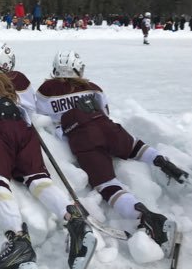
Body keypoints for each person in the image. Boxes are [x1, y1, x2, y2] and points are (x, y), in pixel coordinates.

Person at [0, 41, 97, 269]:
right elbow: (31, 106)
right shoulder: (22, 80)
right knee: (37, 178)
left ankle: (18, 240)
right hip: (23, 130)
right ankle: (74, 221)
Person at [35, 50, 189, 258]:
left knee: (107, 184)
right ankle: (163, 162)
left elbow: (42, 117)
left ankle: (147, 217)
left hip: (82, 137)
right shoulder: (93, 87)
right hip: (106, 126)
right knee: (134, 146)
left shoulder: (46, 90)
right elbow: (105, 111)